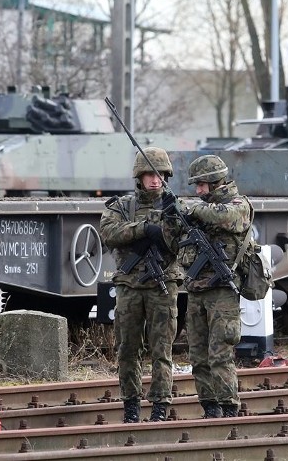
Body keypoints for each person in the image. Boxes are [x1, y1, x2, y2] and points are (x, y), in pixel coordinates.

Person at [99, 146, 183, 423]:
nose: (155, 180)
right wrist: (144, 229)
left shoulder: (175, 208)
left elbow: (182, 241)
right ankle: (131, 405)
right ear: (139, 177)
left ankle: (160, 405)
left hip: (163, 286)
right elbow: (109, 232)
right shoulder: (122, 206)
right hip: (129, 286)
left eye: (159, 174)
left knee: (162, 350)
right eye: (149, 174)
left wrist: (168, 228)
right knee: (127, 349)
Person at [180, 154, 252, 418]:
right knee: (198, 357)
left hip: (222, 291)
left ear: (214, 182)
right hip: (197, 290)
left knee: (219, 355)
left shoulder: (237, 204)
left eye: (201, 185)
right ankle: (210, 407)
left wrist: (191, 210)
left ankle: (229, 408)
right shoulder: (201, 209)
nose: (198, 191)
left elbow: (229, 217)